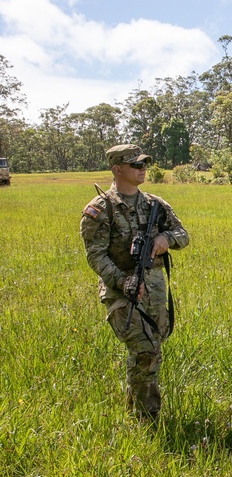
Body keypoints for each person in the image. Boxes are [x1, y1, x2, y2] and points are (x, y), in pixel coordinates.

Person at [80, 144, 189, 420]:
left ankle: (135, 410)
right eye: (136, 165)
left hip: (153, 289)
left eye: (143, 165)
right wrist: (122, 280)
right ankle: (148, 418)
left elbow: (182, 234)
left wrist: (165, 239)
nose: (142, 170)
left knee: (148, 352)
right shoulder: (100, 209)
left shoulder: (155, 205)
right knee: (145, 350)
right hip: (120, 292)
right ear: (117, 170)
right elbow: (95, 256)